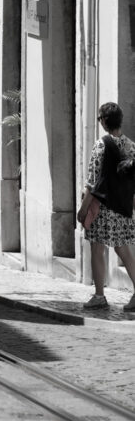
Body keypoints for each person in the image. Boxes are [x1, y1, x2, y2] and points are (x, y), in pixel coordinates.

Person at [80, 102, 135, 311]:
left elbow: (93, 182)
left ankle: (99, 296)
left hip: (102, 207)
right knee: (124, 250)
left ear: (104, 121)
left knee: (97, 248)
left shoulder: (101, 145)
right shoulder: (131, 145)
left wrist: (83, 209)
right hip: (122, 207)